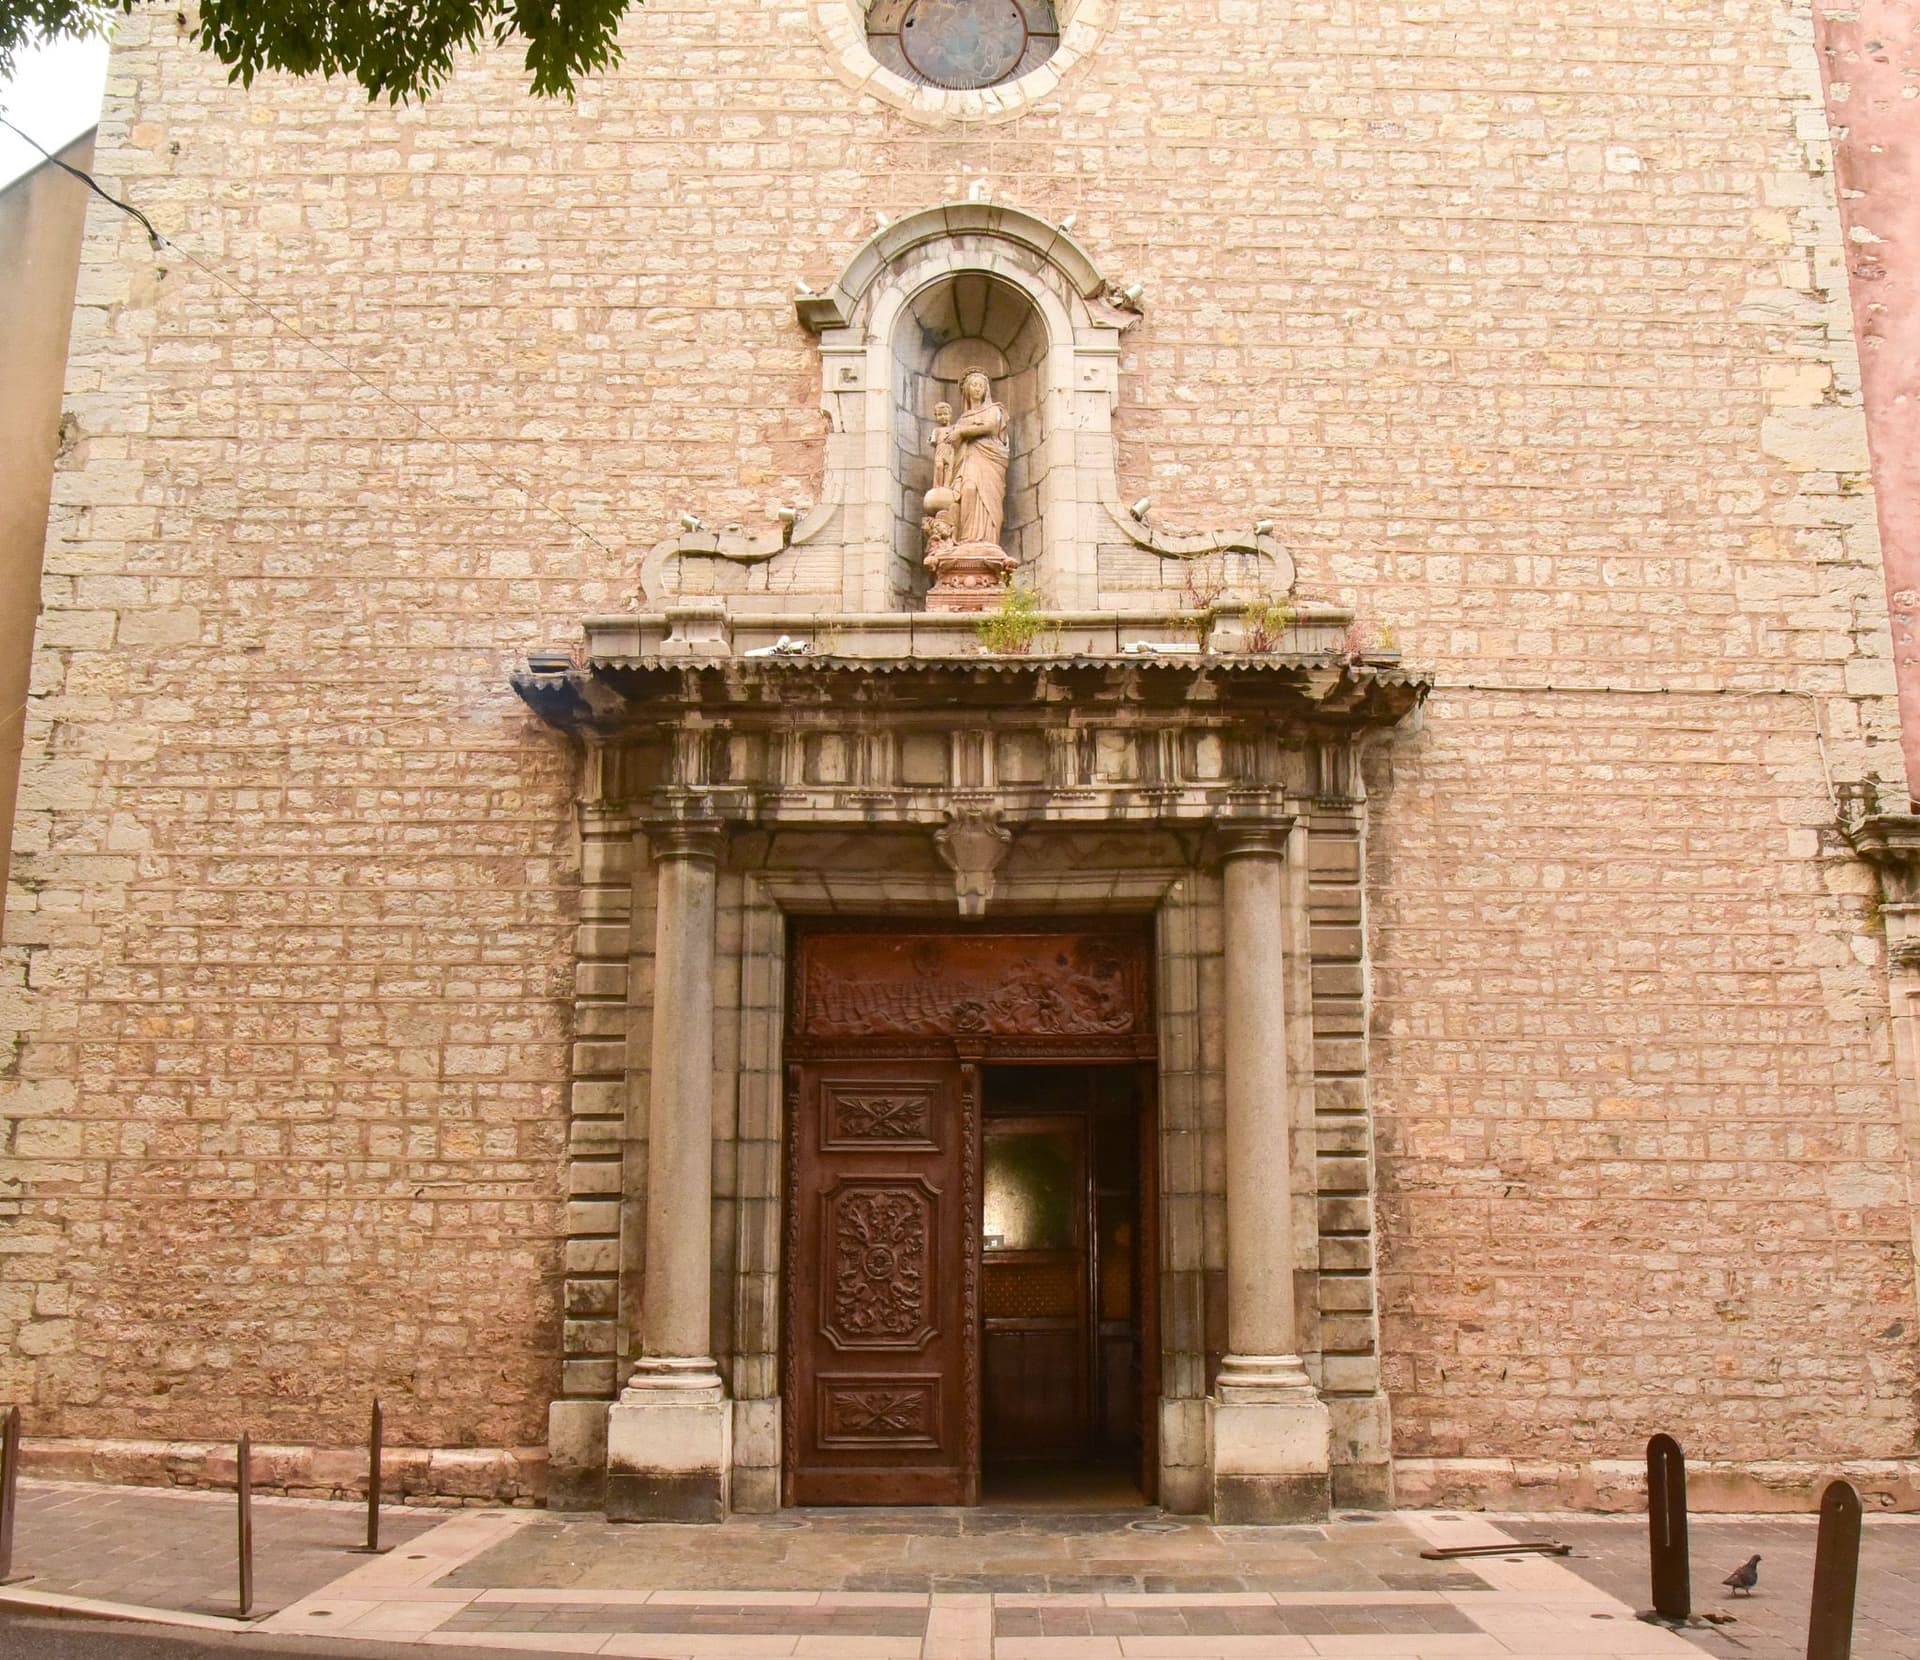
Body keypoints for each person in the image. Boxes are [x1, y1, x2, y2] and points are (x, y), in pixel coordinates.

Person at [948, 370, 1009, 549]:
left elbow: (990, 427)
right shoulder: (962, 418)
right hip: (969, 459)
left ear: (986, 390)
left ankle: (988, 539)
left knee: (988, 496)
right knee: (968, 489)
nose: (977, 389)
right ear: (967, 389)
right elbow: (953, 445)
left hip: (990, 460)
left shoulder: (994, 410)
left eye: (980, 386)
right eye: (973, 385)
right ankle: (966, 537)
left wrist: (962, 432)